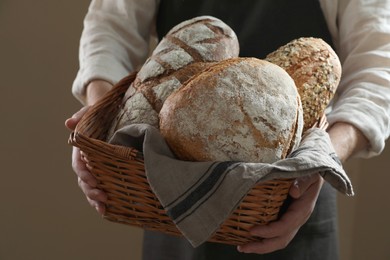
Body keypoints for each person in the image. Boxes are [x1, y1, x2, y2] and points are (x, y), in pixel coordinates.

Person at [65, 0, 390, 259]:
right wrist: (98, 123)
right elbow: (110, 30)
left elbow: (377, 71)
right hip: (171, 188)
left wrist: (318, 161)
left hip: (288, 199)